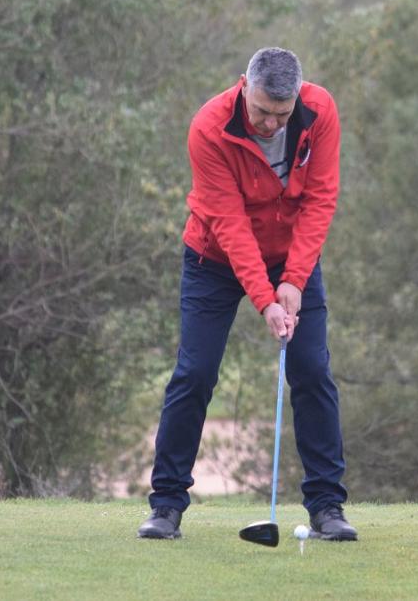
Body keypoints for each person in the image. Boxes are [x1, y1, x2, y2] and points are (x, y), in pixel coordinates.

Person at [137, 47, 357, 541]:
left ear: (297, 98)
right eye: (261, 111)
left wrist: (294, 280)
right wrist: (265, 300)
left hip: (291, 258)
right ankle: (166, 506)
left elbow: (321, 198)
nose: (269, 124)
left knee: (312, 370)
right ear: (243, 86)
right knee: (194, 373)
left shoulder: (320, 111)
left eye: (281, 115)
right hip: (213, 258)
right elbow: (230, 226)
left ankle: (327, 508)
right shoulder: (209, 127)